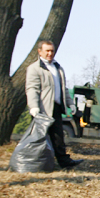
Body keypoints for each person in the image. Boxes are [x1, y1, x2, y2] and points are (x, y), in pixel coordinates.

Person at [26, 40, 83, 169]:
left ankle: (64, 161)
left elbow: (64, 89)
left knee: (58, 136)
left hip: (56, 107)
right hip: (42, 109)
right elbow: (32, 89)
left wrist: (70, 104)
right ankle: (38, 163)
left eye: (52, 51)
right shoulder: (35, 68)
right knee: (40, 138)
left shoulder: (58, 68)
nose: (50, 53)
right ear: (40, 51)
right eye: (47, 51)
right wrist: (33, 106)